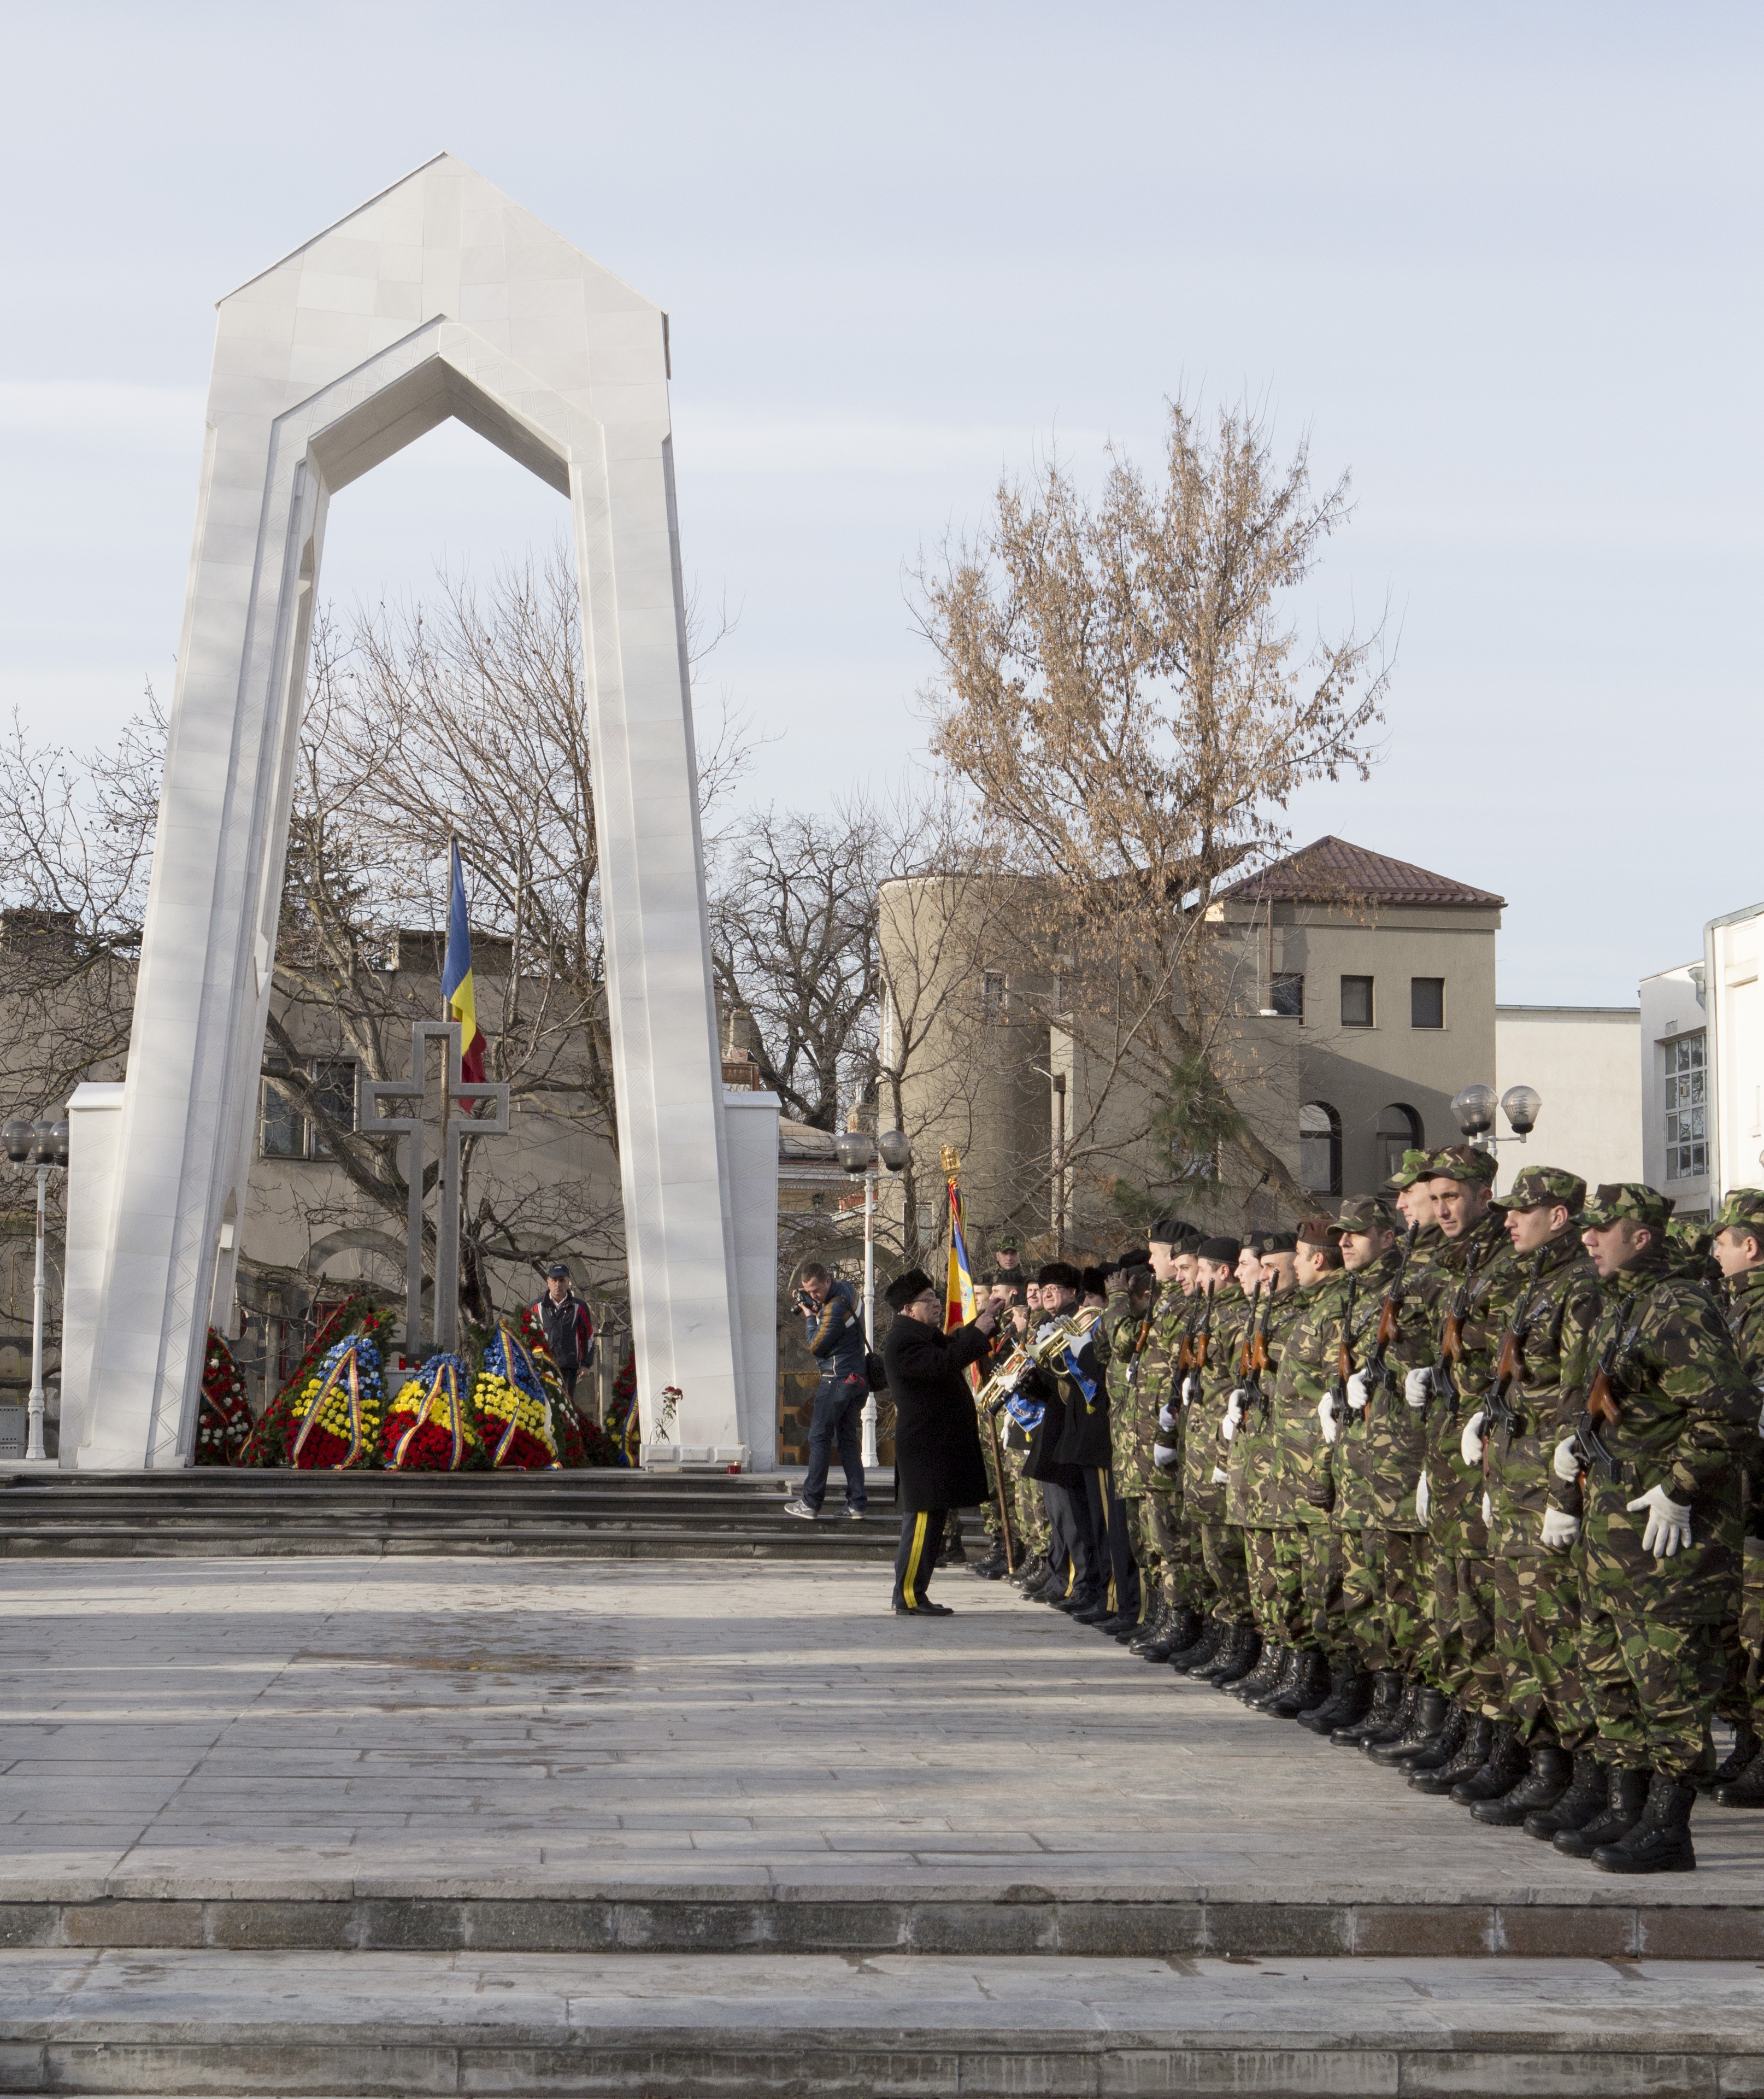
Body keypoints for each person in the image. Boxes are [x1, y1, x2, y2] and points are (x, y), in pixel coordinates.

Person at [1545, 1183, 1750, 1873]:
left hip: (1668, 1543)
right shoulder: (1627, 1305)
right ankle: (1627, 1805)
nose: (1588, 1238)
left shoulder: (1680, 1306)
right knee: (1613, 1674)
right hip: (1615, 1535)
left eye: (1604, 1230)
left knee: (1671, 1683)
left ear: (1642, 1237)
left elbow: (1726, 1414)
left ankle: (1668, 1826)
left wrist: (1679, 1488)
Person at [880, 1268, 996, 1615]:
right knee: (922, 1524)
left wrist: (985, 1322)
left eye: (935, 1297)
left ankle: (916, 1593)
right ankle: (909, 1596)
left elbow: (954, 1345)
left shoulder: (923, 1335)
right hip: (924, 1446)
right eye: (927, 1300)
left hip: (935, 1444)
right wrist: (978, 1335)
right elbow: (943, 1363)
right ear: (907, 1309)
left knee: (932, 1521)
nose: (936, 1305)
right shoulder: (903, 1340)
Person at [783, 1263, 869, 1521]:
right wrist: (815, 1302)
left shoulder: (835, 1309)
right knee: (846, 1440)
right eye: (810, 1291)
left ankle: (810, 1502)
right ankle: (857, 1504)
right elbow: (839, 1326)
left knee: (819, 1437)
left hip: (837, 1380)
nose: (815, 1295)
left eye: (817, 1291)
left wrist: (810, 1315)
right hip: (858, 1378)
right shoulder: (848, 1291)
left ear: (828, 1281)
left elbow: (815, 1346)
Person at [532, 1264, 595, 1403]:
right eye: (554, 1280)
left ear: (568, 1282)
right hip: (543, 1365)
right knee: (545, 1405)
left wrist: (586, 1364)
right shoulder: (536, 1306)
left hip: (569, 1365)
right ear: (548, 1282)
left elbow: (589, 1336)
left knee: (566, 1405)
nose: (558, 1285)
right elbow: (528, 1335)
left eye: (562, 1280)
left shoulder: (579, 1306)